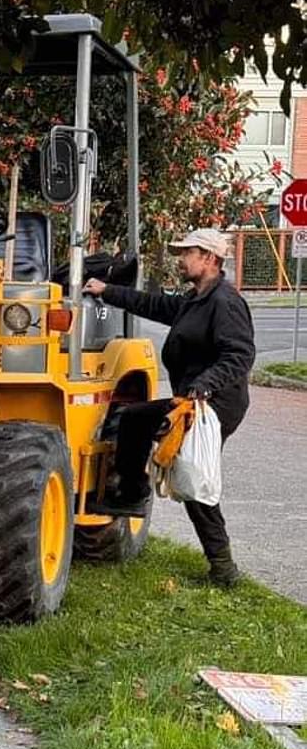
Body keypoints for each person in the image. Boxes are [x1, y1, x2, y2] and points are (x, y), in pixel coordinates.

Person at [83, 228, 255, 587]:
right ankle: (132, 493)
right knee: (134, 419)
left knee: (193, 477)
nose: (181, 259)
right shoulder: (197, 299)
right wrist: (107, 291)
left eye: (187, 252)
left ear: (209, 258)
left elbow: (239, 354)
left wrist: (204, 386)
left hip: (213, 404)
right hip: (189, 400)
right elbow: (155, 305)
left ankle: (224, 569)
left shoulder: (225, 302)